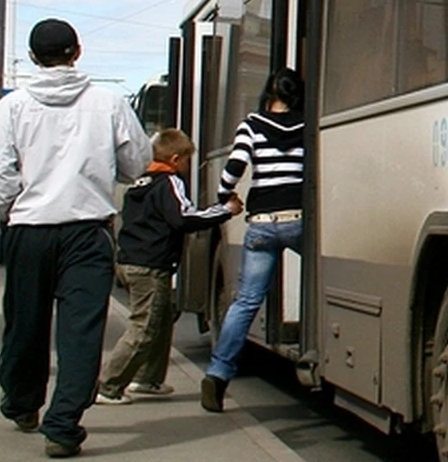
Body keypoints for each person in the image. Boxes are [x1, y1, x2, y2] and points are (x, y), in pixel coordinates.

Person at [0, 18, 152, 458]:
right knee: (81, 330)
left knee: (25, 323)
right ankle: (64, 423)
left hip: (29, 230)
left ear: (34, 58)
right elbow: (136, 161)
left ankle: (21, 402)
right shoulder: (108, 103)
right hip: (87, 232)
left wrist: (11, 208)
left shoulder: (11, 108)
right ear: (77, 52)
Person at [96, 128, 242, 405]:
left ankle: (148, 378)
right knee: (145, 327)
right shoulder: (169, 182)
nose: (187, 167)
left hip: (130, 261)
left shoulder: (140, 183)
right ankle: (109, 385)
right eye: (187, 161)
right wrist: (225, 211)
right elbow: (183, 218)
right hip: (150, 266)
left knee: (162, 320)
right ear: (176, 159)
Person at [201, 67, 306, 413]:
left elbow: (234, 166)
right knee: (325, 279)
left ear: (269, 94)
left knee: (246, 301)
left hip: (261, 223)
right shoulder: (307, 125)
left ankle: (217, 375)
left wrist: (224, 196)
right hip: (298, 220)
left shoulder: (252, 124)